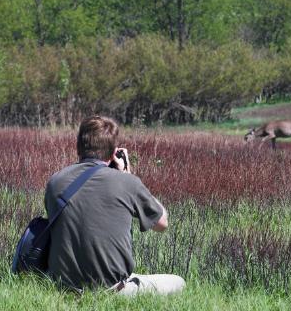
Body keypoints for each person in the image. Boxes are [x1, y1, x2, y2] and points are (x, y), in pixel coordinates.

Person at [44, 115, 185, 295]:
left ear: (77, 147)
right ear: (114, 153)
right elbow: (161, 224)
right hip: (110, 290)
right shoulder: (128, 183)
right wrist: (128, 176)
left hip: (64, 287)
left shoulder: (55, 181)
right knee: (178, 282)